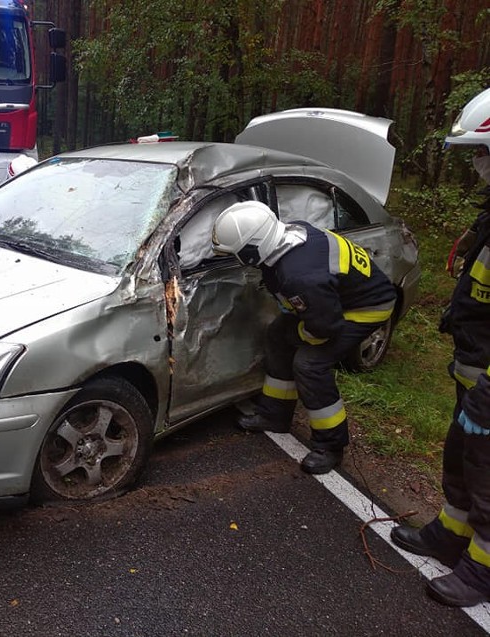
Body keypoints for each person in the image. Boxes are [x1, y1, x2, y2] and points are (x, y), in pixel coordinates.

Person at [391, 86, 490, 607]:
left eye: (482, 153)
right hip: (473, 372)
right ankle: (451, 535)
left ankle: (481, 573)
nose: (477, 164)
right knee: (461, 458)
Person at [211, 200, 397, 474]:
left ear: (253, 250)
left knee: (310, 364)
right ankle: (275, 415)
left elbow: (324, 328)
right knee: (277, 335)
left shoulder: (301, 277)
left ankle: (330, 446)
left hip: (364, 309)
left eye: (238, 253)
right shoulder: (290, 237)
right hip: (333, 301)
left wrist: (301, 333)